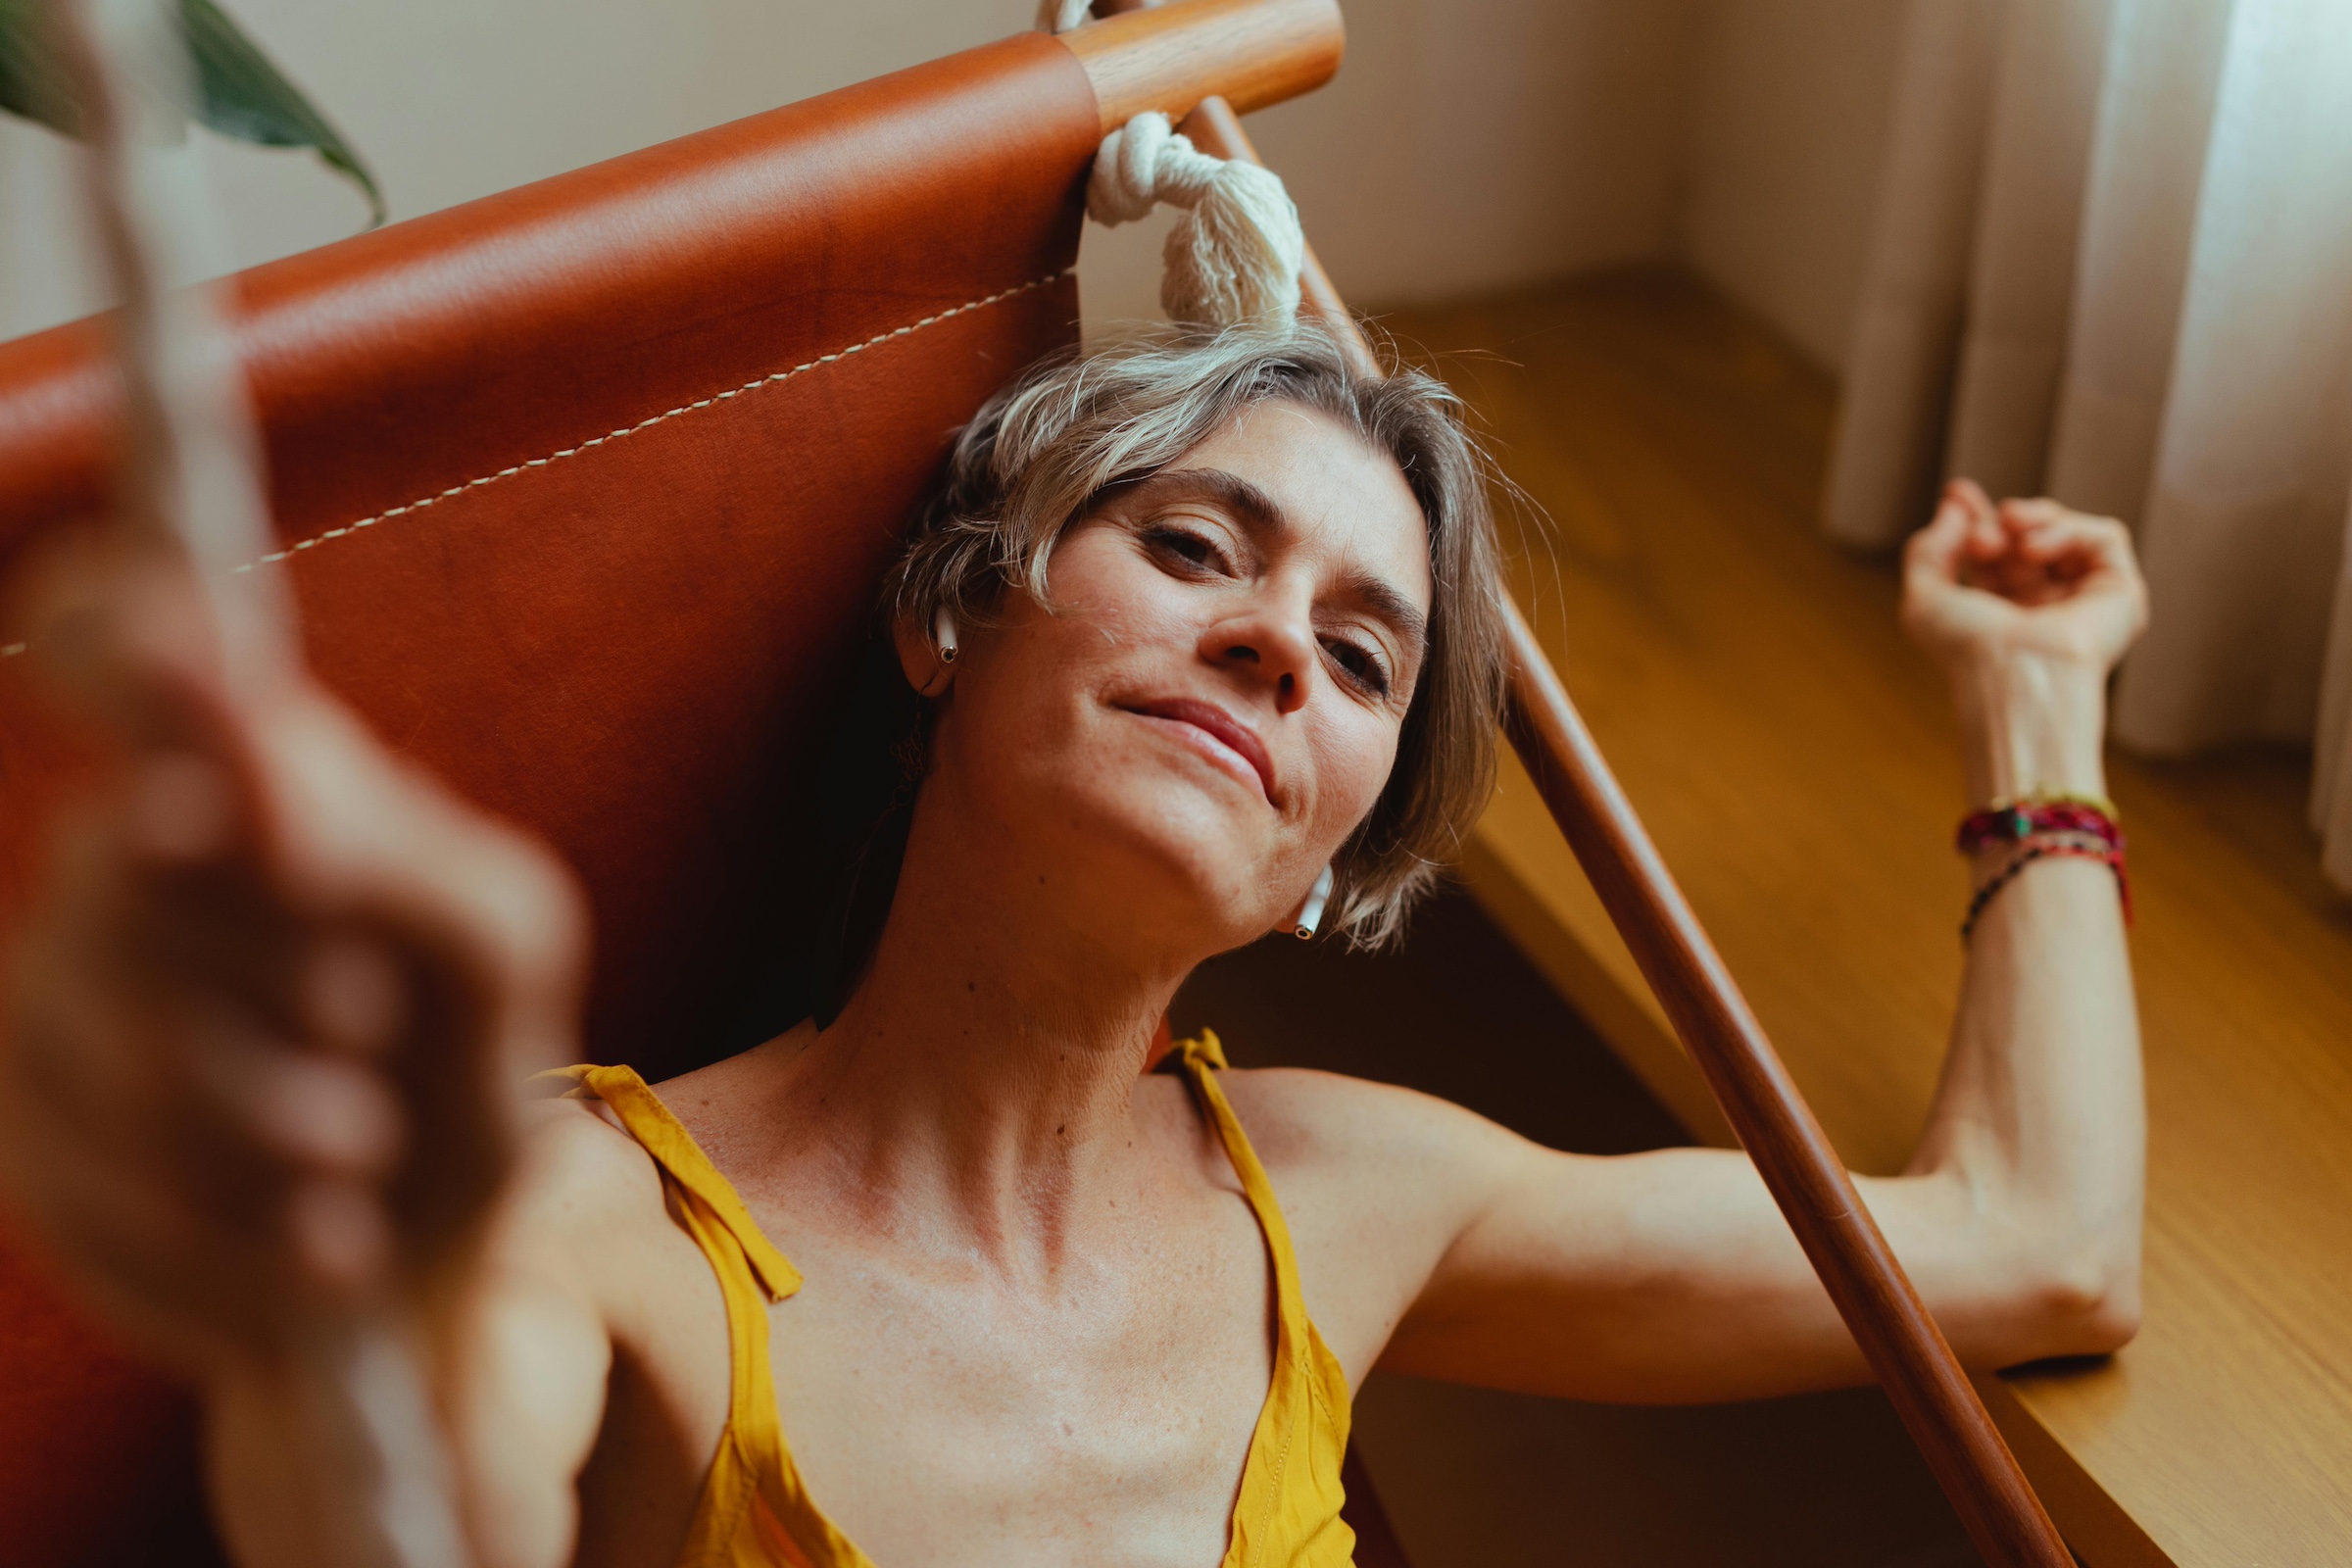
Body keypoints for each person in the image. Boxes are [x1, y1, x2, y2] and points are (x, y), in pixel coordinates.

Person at [0, 326, 2146, 1568]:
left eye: (1363, 654)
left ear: (1338, 840)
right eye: (1195, 542)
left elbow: (2032, 1238)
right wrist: (312, 1266)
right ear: (952, 616)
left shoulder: (1354, 1193)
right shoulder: (584, 1214)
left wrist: (2036, 699)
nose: (1274, 642)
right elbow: (384, 1494)